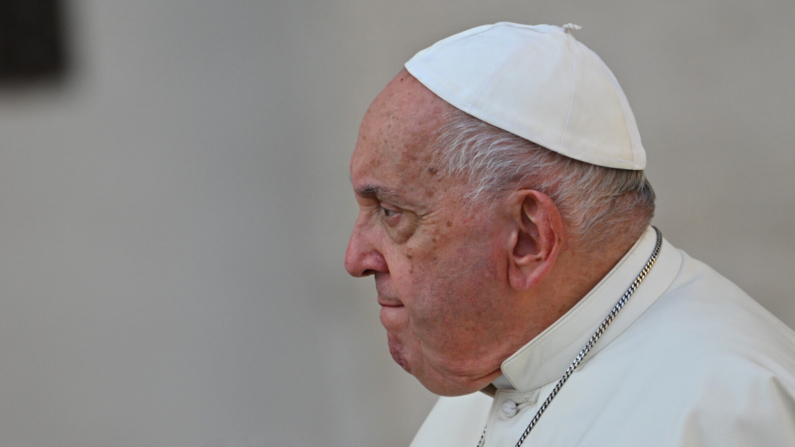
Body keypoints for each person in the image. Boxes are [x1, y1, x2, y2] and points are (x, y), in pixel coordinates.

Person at [344, 22, 795, 446]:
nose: (355, 258)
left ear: (528, 238)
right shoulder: (504, 365)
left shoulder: (730, 411)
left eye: (390, 212)